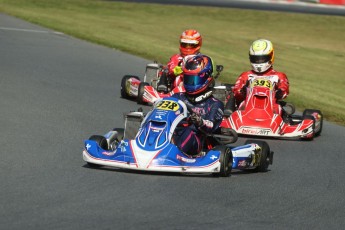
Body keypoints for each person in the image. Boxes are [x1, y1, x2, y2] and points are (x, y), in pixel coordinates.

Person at [172, 54, 224, 156]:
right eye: (188, 79)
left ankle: (172, 153)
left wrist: (200, 121)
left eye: (194, 80)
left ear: (206, 78)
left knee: (185, 131)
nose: (190, 83)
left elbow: (211, 126)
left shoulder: (215, 104)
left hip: (198, 143)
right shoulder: (178, 97)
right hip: (171, 135)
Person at [225, 39, 290, 115]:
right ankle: (228, 116)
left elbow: (284, 89)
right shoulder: (246, 75)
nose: (259, 62)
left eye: (262, 58)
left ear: (271, 56)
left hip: (271, 109)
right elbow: (236, 91)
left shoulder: (278, 76)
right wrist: (242, 92)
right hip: (247, 108)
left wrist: (280, 92)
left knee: (279, 108)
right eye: (256, 59)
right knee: (234, 99)